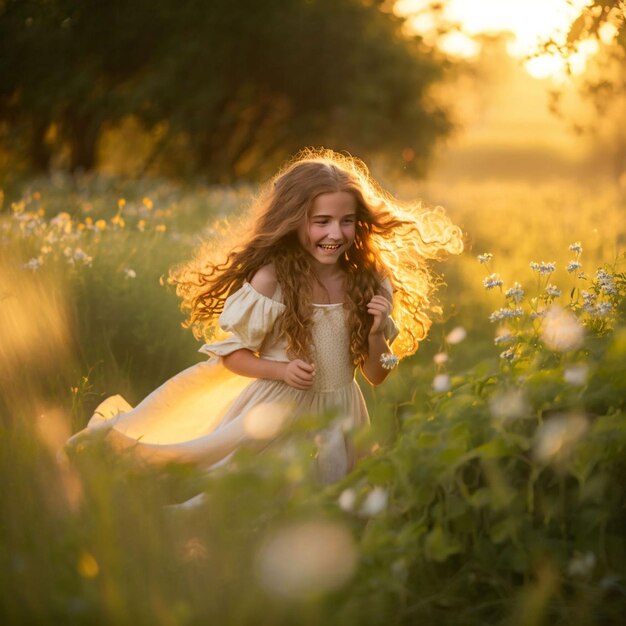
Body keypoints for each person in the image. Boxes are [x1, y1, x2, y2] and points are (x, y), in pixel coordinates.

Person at [68, 148, 463, 483]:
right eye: (321, 221)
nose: (336, 234)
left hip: (342, 410)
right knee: (263, 496)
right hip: (278, 409)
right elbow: (231, 356)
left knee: (337, 499)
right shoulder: (272, 280)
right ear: (294, 221)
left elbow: (379, 374)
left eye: (346, 221)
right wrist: (282, 371)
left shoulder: (370, 280)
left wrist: (378, 334)